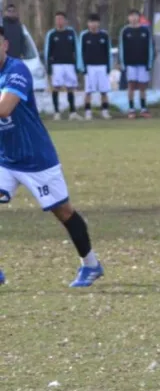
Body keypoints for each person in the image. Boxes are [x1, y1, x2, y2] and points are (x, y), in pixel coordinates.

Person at [0, 24, 105, 287]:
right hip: (4, 158)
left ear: (4, 45)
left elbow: (4, 109)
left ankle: (91, 265)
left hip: (35, 158)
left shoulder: (17, 70)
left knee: (64, 212)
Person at [44, 12, 81, 121]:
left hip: (69, 64)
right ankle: (56, 112)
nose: (59, 21)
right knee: (56, 87)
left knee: (70, 88)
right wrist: (49, 67)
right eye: (57, 19)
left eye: (61, 19)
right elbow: (48, 52)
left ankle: (73, 112)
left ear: (65, 21)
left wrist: (77, 65)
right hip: (56, 65)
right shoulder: (51, 34)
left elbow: (77, 50)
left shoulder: (71, 33)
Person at [118, 9, 154, 118]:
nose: (133, 18)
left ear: (139, 17)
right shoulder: (124, 31)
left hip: (143, 64)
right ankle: (131, 109)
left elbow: (150, 48)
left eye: (135, 16)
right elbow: (121, 48)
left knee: (143, 86)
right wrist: (122, 64)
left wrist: (149, 63)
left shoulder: (145, 31)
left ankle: (143, 108)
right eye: (131, 16)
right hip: (130, 64)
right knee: (131, 86)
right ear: (128, 18)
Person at [78, 13, 113, 120]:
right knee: (88, 91)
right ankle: (88, 112)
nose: (93, 24)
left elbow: (108, 52)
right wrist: (82, 67)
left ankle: (105, 111)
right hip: (89, 67)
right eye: (91, 22)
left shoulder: (104, 36)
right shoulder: (84, 36)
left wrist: (108, 67)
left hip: (102, 67)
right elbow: (81, 52)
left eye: (95, 22)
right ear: (88, 24)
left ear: (98, 23)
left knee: (104, 91)